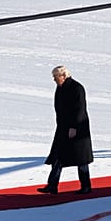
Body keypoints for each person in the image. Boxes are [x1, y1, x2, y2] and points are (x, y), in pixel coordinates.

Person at [37, 66, 93, 194]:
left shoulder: (76, 88)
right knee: (57, 156)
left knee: (81, 159)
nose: (54, 80)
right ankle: (52, 185)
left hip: (77, 129)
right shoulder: (60, 88)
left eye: (55, 77)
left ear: (63, 76)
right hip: (63, 128)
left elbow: (80, 109)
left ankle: (86, 186)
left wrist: (74, 127)